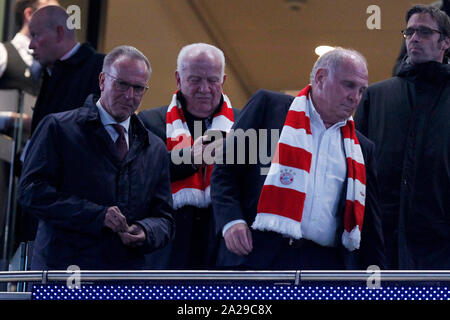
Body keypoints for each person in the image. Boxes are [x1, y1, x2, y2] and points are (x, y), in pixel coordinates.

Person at [211, 48, 385, 270]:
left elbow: (369, 226)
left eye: (361, 90)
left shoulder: (362, 148)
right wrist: (231, 221)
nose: (356, 97)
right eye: (349, 85)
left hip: (325, 267)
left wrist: (376, 282)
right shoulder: (268, 108)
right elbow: (225, 172)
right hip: (258, 256)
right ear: (321, 78)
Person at [17, 45, 175, 270]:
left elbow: (165, 219)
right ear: (102, 81)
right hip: (65, 275)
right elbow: (31, 192)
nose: (130, 95)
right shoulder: (58, 128)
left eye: (138, 88)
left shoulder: (154, 147)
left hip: (125, 279)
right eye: (122, 84)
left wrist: (146, 231)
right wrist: (97, 215)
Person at [355, 5, 450, 269]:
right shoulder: (376, 97)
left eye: (424, 32)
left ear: (445, 42)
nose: (414, 38)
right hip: (382, 242)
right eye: (409, 32)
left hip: (440, 244)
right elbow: (355, 165)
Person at [138, 43, 240, 269]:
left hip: (223, 253)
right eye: (195, 80)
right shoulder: (150, 122)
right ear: (178, 78)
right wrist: (188, 158)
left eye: (212, 81)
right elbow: (139, 174)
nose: (205, 88)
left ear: (223, 81)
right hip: (167, 252)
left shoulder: (243, 125)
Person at [28, 5, 105, 134]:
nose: (31, 45)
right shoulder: (51, 71)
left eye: (35, 35)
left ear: (59, 33)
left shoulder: (101, 69)